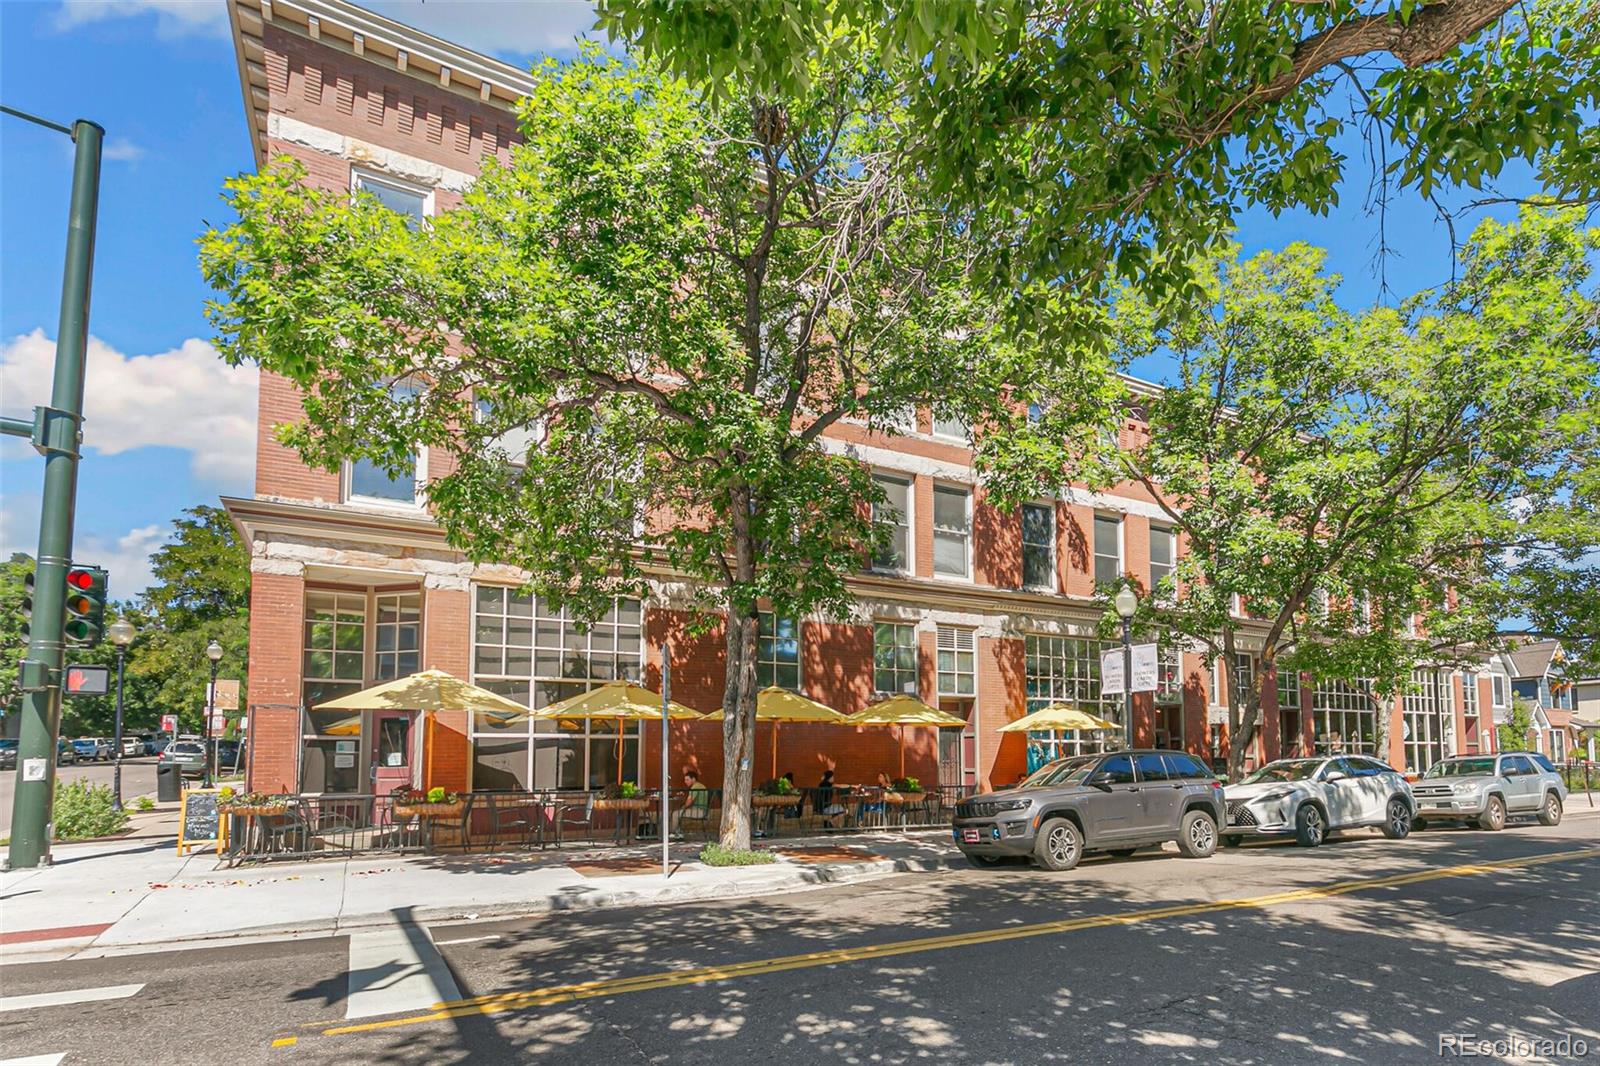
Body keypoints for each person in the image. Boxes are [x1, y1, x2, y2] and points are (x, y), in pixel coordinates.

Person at [670, 769, 708, 839]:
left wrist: (683, 807)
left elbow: (689, 802)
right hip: (701, 810)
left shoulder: (695, 787)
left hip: (699, 811)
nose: (685, 782)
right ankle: (678, 833)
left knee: (675, 814)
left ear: (693, 779)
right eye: (685, 780)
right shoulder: (700, 785)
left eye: (687, 780)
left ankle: (673, 833)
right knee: (678, 812)